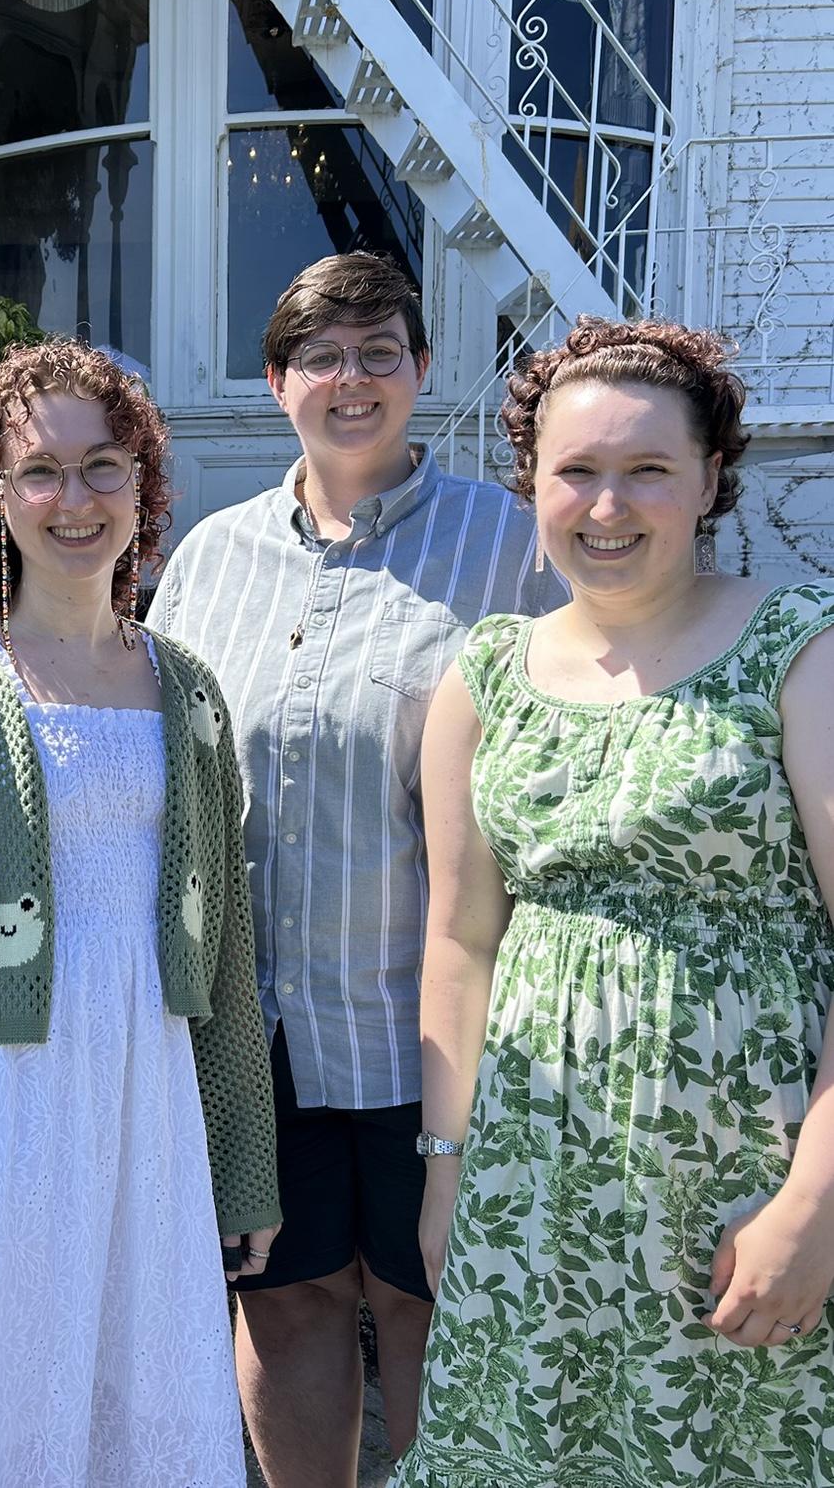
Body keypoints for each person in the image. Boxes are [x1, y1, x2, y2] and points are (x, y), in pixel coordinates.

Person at [0, 337, 282, 1487]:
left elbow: (225, 957)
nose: (76, 499)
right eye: (40, 471)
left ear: (144, 484)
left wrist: (242, 1166)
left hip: (149, 1118)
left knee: (140, 1405)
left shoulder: (188, 687)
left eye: (104, 466)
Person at [145, 251, 564, 1487]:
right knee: (285, 1307)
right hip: (255, 1034)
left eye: (381, 352)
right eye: (322, 357)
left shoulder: (512, 549)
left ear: (422, 370)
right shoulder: (209, 559)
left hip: (425, 1032)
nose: (352, 379)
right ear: (278, 382)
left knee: (432, 1305)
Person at [396, 319, 834, 1486]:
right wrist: (447, 1173)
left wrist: (816, 1204)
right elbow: (460, 943)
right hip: (533, 1192)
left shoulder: (801, 652)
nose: (607, 505)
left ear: (711, 478)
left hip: (746, 1188)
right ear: (531, 483)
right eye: (576, 470)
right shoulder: (484, 676)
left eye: (648, 469)